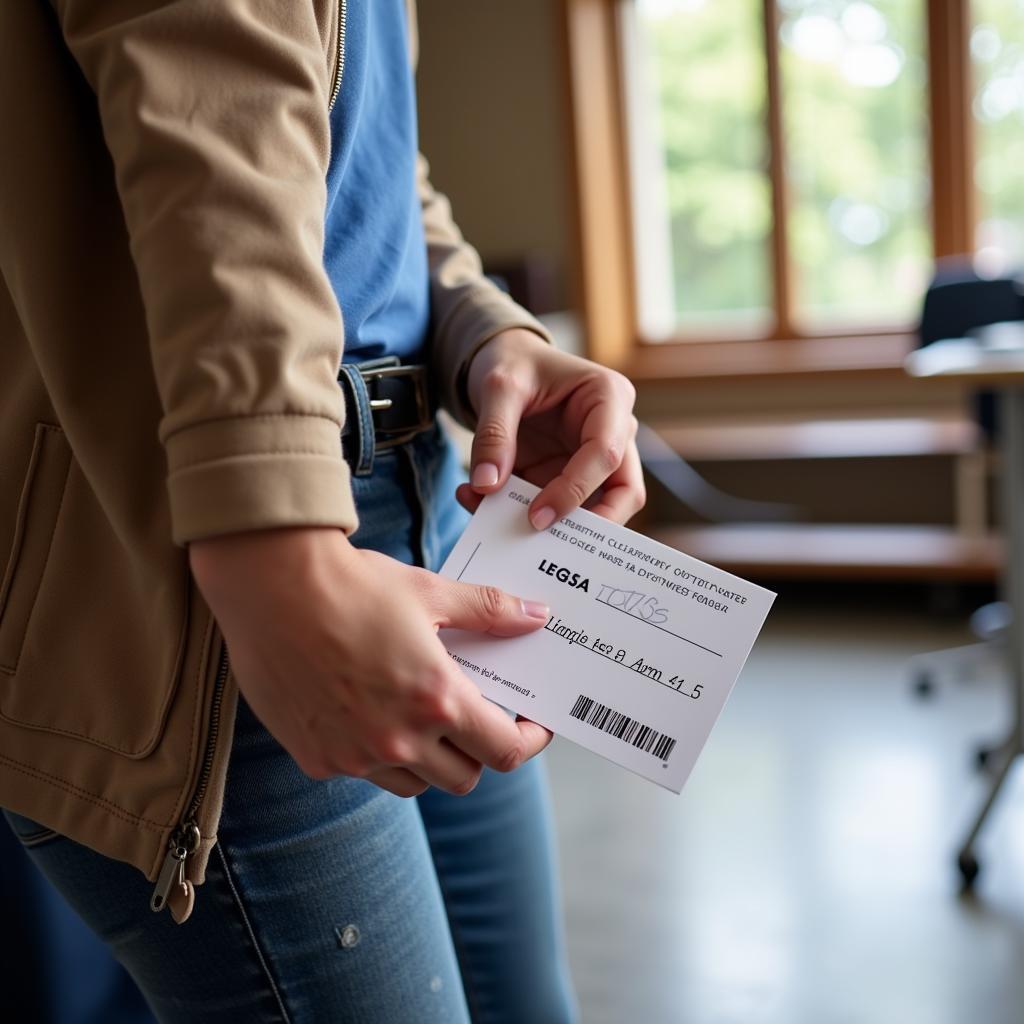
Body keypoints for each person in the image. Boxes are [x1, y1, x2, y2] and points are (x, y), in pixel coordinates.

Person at [0, 1, 644, 1021]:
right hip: (217, 556)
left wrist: (485, 333)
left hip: (421, 503)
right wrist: (276, 548)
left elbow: (370, 165)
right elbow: (207, 135)